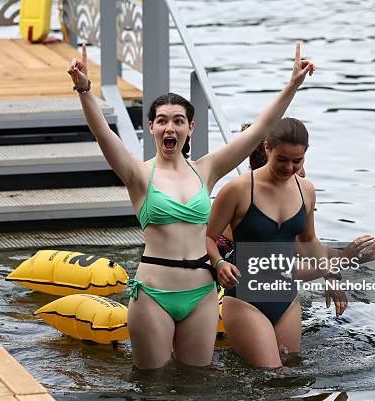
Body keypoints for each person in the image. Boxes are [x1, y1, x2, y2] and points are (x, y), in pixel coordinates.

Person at [67, 43, 315, 369]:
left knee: (196, 386)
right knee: (153, 388)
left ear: (190, 128)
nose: (171, 127)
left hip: (202, 293)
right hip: (154, 293)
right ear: (152, 127)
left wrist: (292, 85)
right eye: (163, 121)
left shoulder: (206, 171)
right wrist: (84, 88)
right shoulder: (138, 174)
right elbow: (102, 133)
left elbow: (258, 131)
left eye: (179, 120)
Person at [206, 118, 375, 368]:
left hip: (286, 300)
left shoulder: (306, 190)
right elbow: (207, 237)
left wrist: (337, 272)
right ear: (267, 148)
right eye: (282, 160)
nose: (291, 168)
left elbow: (307, 242)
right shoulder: (237, 191)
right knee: (274, 374)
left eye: (298, 161)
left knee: (292, 377)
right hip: (244, 300)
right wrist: (219, 263)